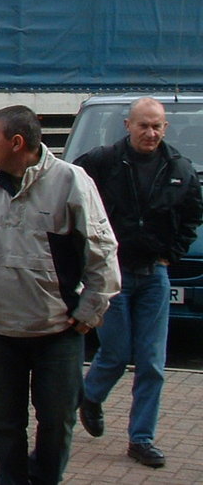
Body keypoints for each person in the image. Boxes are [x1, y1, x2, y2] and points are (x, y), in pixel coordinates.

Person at [0, 105, 120, 485]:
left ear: (17, 142)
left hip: (57, 332)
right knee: (2, 424)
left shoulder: (71, 182)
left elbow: (102, 253)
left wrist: (89, 309)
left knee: (57, 421)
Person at [73, 96, 203, 469]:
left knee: (152, 362)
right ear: (128, 124)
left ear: (165, 128)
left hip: (155, 276)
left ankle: (141, 439)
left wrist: (173, 252)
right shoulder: (102, 162)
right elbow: (69, 192)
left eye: (157, 126)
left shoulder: (179, 167)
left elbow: (193, 212)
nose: (150, 133)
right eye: (143, 125)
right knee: (114, 353)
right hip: (112, 276)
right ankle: (90, 396)